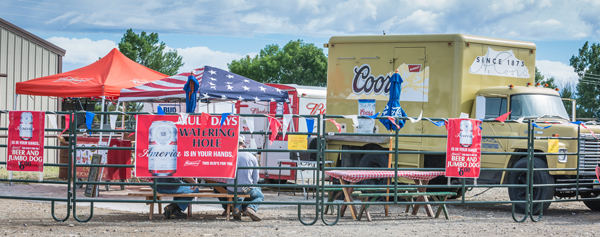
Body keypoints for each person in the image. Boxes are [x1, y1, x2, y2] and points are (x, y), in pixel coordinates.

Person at [228, 135, 264, 221]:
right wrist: (254, 185)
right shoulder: (251, 157)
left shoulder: (229, 156)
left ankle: (237, 209)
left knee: (239, 194)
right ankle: (251, 208)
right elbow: (256, 178)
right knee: (260, 196)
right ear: (243, 144)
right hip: (245, 187)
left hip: (231, 187)